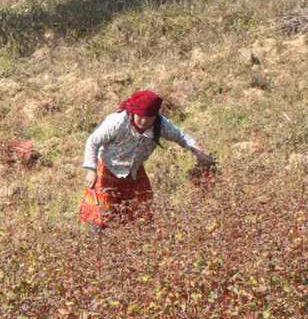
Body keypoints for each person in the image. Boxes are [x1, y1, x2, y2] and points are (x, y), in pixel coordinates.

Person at [80, 90, 214, 227]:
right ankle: (101, 241)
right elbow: (93, 141)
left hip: (134, 170)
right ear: (133, 112)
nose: (144, 121)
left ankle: (132, 241)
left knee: (141, 211)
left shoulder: (160, 124)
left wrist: (198, 151)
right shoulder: (118, 122)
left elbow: (181, 136)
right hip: (108, 167)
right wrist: (91, 170)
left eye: (149, 117)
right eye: (141, 116)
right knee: (103, 213)